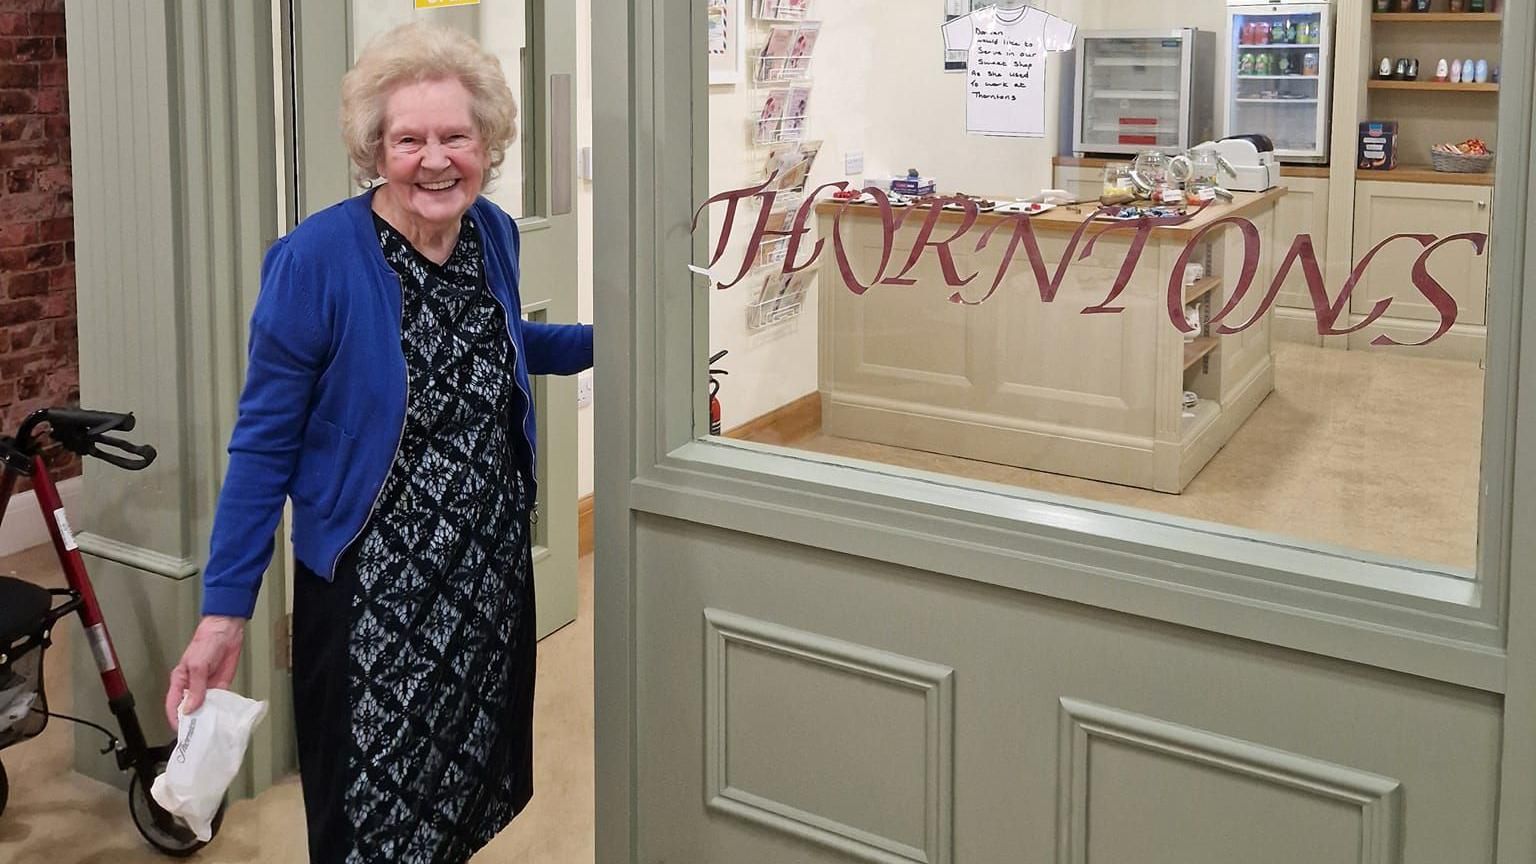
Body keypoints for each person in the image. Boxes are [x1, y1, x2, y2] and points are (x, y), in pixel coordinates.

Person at [163, 21, 592, 863]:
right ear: (374, 151)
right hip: (376, 601)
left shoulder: (491, 233)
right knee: (372, 820)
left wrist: (605, 339)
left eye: (455, 136)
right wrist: (223, 612)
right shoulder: (315, 260)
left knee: (460, 792)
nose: (435, 159)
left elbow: (495, 343)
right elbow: (263, 446)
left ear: (488, 143)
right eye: (410, 140)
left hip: (485, 578)